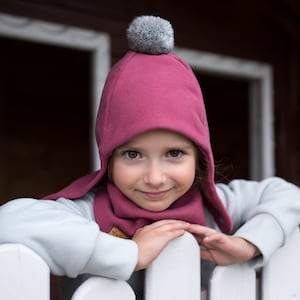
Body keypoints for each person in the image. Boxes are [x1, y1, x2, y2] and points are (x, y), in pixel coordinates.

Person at [0, 15, 299, 298]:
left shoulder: (216, 207)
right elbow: (9, 223)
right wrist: (130, 253)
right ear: (108, 158)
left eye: (174, 153)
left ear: (199, 157)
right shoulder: (90, 212)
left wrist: (249, 244)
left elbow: (288, 195)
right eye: (132, 154)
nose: (155, 178)